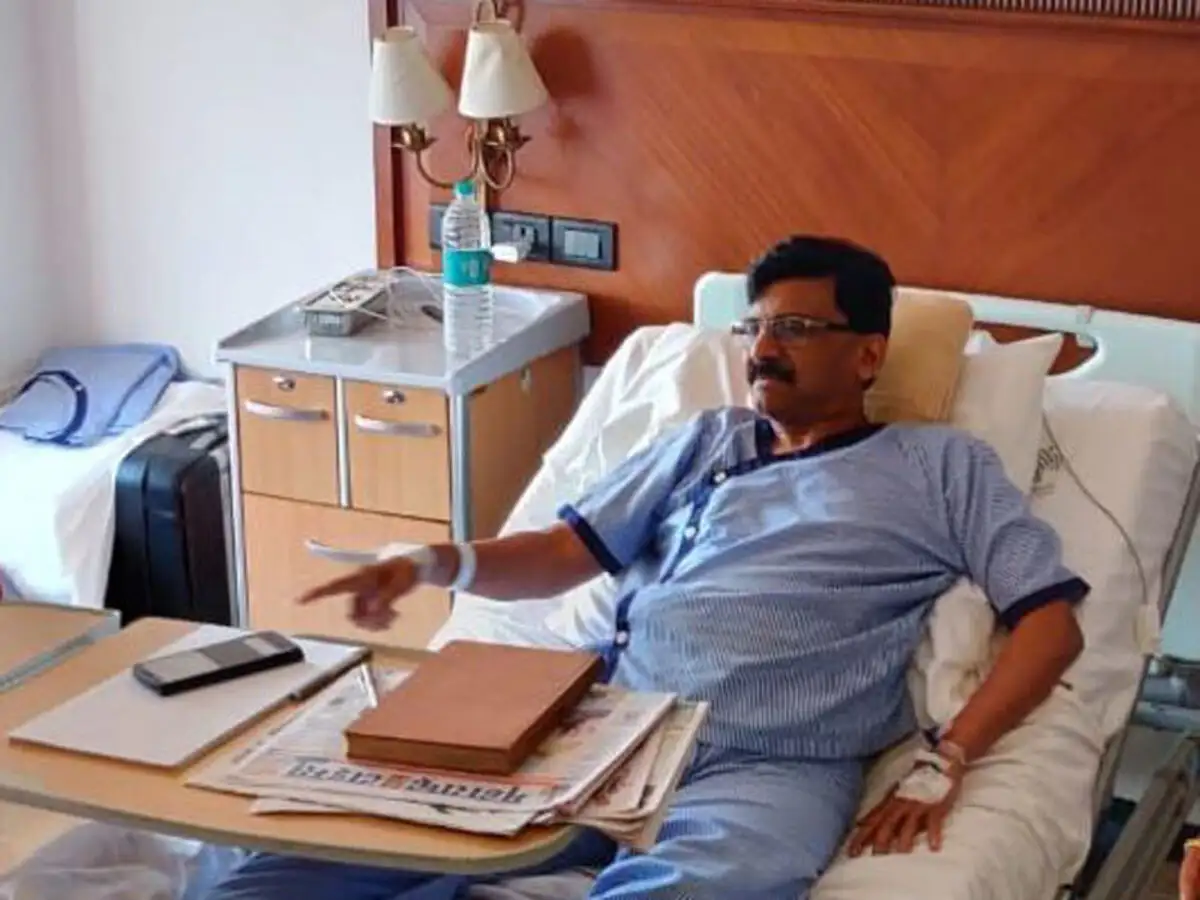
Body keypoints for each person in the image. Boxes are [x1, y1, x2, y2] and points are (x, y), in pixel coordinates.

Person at [202, 235, 1089, 900]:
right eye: (754, 327)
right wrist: (435, 562)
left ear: (868, 354)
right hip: (607, 730)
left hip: (773, 764)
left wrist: (948, 758)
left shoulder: (940, 466)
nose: (762, 349)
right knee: (300, 859)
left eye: (795, 328)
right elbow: (561, 554)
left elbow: (1050, 624)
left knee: (707, 889)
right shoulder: (707, 440)